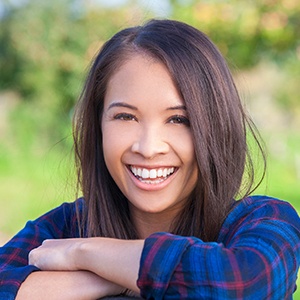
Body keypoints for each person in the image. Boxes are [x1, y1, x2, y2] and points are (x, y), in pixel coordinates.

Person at [0, 19, 299, 300]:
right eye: (126, 116)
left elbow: (246, 283)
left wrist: (86, 254)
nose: (148, 147)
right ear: (99, 124)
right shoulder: (68, 225)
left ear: (216, 126)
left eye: (179, 119)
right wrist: (116, 276)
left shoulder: (265, 220)